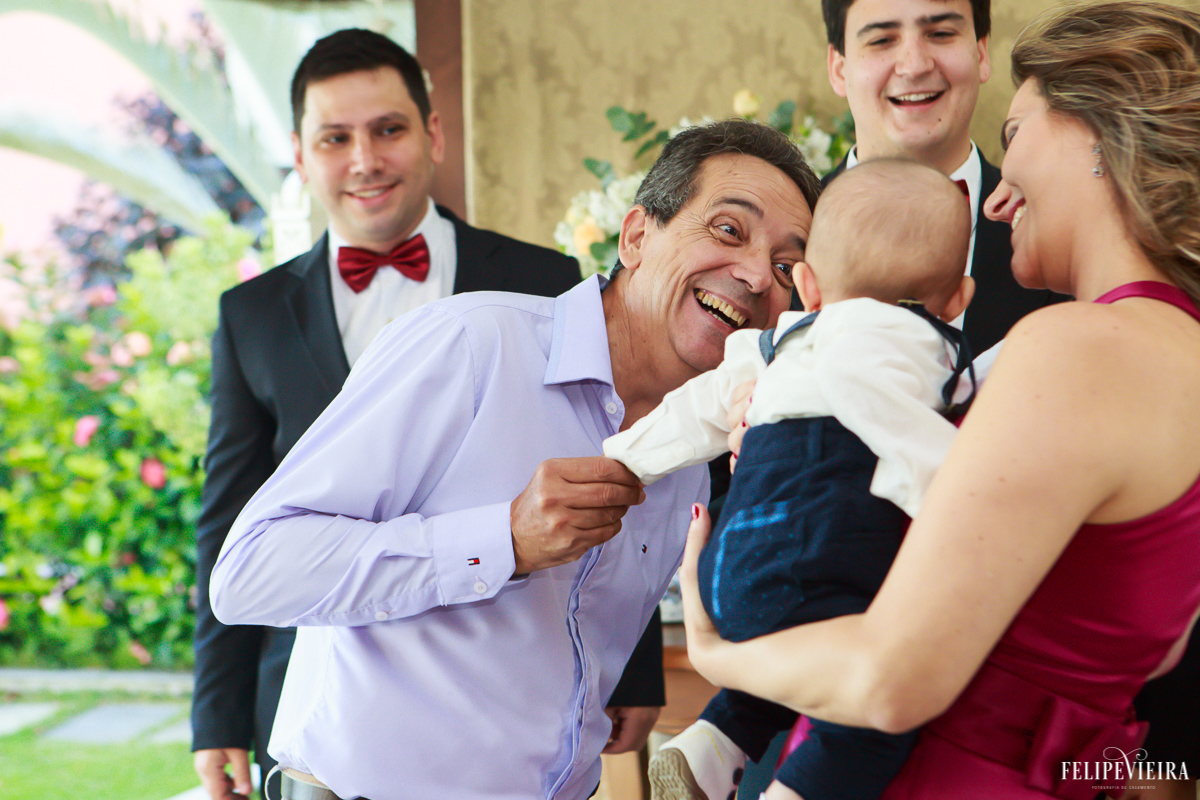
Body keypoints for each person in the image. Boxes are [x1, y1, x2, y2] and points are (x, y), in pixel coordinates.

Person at [207, 119, 822, 800]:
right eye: (729, 230)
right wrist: (504, 538)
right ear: (636, 237)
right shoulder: (472, 345)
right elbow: (249, 572)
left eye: (786, 266)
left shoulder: (694, 458)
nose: (757, 276)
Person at [679, 4, 1200, 799]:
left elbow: (891, 684)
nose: (997, 192)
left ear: (1098, 139)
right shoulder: (1178, 349)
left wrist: (718, 656)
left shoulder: (1074, 348)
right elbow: (1149, 642)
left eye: (1015, 132)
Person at [189, 28, 585, 800]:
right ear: (301, 157)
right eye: (335, 138)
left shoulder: (542, 280)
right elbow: (229, 521)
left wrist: (630, 672)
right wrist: (217, 715)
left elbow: (597, 455)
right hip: (314, 713)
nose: (364, 160)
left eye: (388, 129)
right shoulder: (252, 316)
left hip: (504, 694)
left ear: (432, 134)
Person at [607, 158, 975, 800]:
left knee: (774, 668)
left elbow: (695, 411)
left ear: (808, 284)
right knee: (863, 714)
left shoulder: (773, 344)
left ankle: (707, 746)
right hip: (826, 562)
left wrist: (623, 459)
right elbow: (940, 463)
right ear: (957, 301)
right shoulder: (925, 357)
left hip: (729, 570)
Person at [822, 0, 1062, 357]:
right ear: (839, 69)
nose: (915, 65)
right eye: (882, 40)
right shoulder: (791, 227)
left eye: (940, 33)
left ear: (981, 54)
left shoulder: (1058, 235)